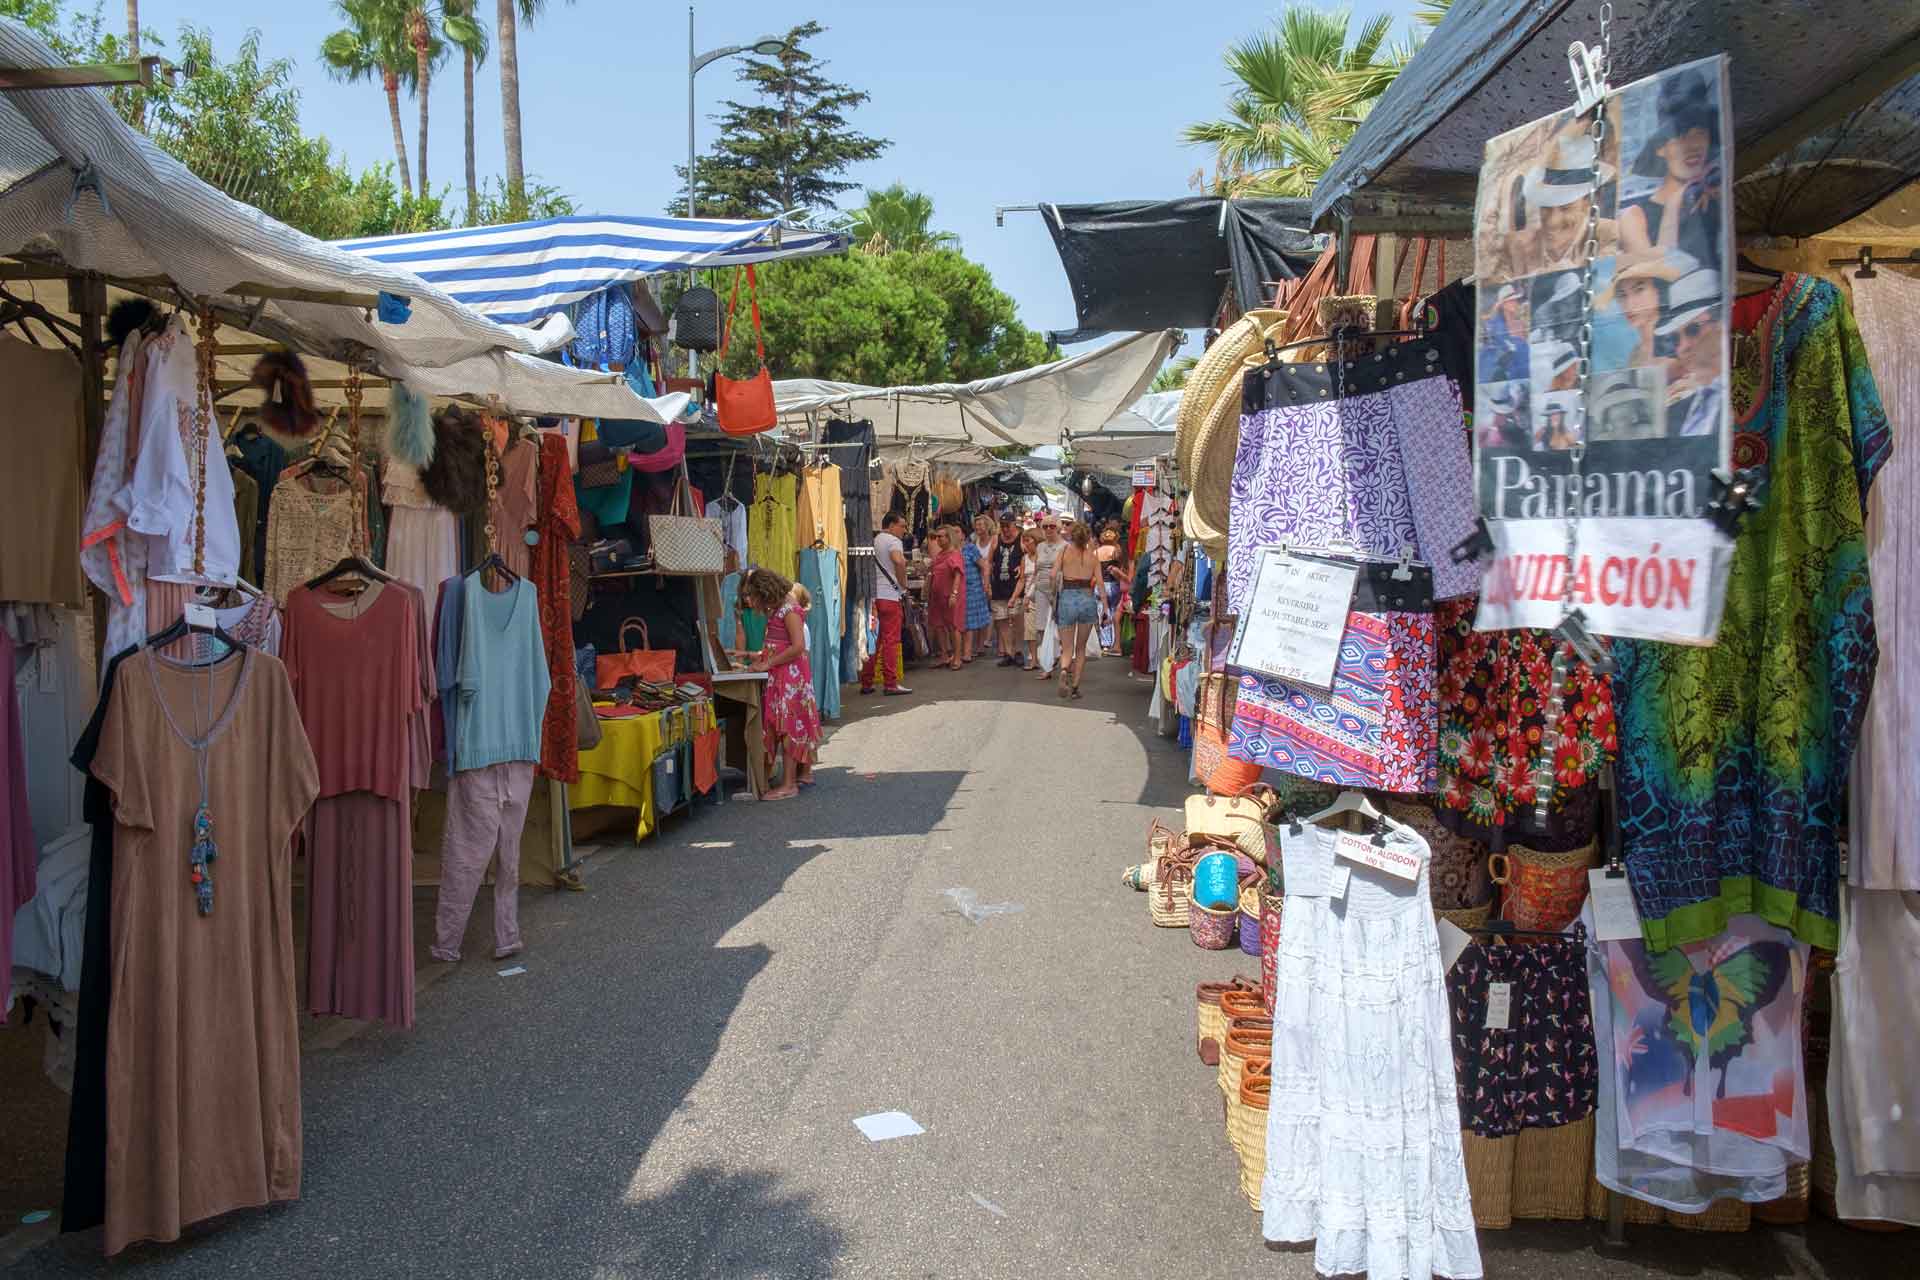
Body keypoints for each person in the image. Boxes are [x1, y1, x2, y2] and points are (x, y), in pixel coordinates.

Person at [1619, 71, 1722, 266]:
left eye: (1700, 133)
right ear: (1660, 148)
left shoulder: (1712, 200)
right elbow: (1664, 282)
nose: (1692, 146)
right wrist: (1674, 206)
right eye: (1680, 136)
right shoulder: (1634, 219)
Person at [740, 568, 821, 800]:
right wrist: (760, 657)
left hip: (790, 676)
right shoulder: (780, 608)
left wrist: (767, 663)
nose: (751, 601)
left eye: (753, 596)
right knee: (784, 725)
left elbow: (797, 646)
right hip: (784, 675)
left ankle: (789, 785)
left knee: (788, 727)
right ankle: (795, 777)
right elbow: (781, 643)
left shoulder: (789, 609)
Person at [1518, 130, 1617, 275]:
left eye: (1565, 208)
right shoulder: (1520, 245)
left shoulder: (1612, 236)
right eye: (1546, 207)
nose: (1553, 221)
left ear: (1588, 203)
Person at [1596, 248, 1696, 369]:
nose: (1629, 304)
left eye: (1639, 290)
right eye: (1622, 295)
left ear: (1658, 291)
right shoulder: (1636, 353)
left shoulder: (1681, 340)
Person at [1658, 266, 1725, 438]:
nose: (1683, 347)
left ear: (1722, 324)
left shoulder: (1742, 396)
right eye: (1675, 339)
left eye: (1693, 330)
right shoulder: (1676, 408)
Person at [859, 512, 912, 696]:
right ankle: (890, 683)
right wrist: (903, 581)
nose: (904, 530)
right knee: (890, 641)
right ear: (891, 525)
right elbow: (898, 560)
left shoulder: (875, 539)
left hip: (874, 597)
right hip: (890, 596)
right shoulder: (893, 541)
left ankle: (866, 682)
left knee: (874, 640)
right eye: (902, 526)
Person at [1053, 521, 1102, 700]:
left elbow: (1052, 575)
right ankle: (1075, 687)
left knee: (1067, 648)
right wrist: (1104, 608)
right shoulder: (1093, 557)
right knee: (1081, 648)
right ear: (1088, 537)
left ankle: (1065, 670)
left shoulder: (1064, 552)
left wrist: (1053, 595)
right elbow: (1101, 585)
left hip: (1067, 598)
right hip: (1087, 600)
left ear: (1072, 536)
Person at [1026, 515, 1066, 679]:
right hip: (1041, 589)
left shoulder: (1065, 546)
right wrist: (1029, 592)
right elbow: (1036, 570)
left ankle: (1063, 661)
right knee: (1041, 628)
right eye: (1045, 526)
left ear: (1058, 527)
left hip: (1059, 590)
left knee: (1062, 628)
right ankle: (1047, 664)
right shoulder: (1041, 546)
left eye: (1051, 526)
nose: (1048, 529)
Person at [986, 512, 1026, 666]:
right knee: (1001, 620)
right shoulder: (996, 539)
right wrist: (987, 583)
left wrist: (1021, 567)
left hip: (1016, 587)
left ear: (1014, 524)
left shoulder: (1021, 539)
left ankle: (1018, 651)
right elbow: (989, 562)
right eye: (1002, 526)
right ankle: (1008, 652)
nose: (1005, 529)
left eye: (1007, 526)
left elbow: (1031, 556)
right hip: (999, 586)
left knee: (1017, 620)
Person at [925, 528, 964, 669]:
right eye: (937, 537)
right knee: (939, 625)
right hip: (937, 597)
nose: (938, 539)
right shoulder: (940, 554)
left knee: (954, 626)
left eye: (941, 537)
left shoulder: (954, 554)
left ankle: (957, 657)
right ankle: (944, 655)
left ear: (949, 537)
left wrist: (954, 593)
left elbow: (958, 575)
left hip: (949, 596)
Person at [1479, 284, 1529, 382]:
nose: (1515, 303)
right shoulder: (1495, 325)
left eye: (1516, 300)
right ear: (1503, 304)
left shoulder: (1520, 322)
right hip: (1506, 371)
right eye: (1511, 300)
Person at [962, 514, 995, 660]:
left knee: (988, 610)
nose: (978, 527)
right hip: (977, 578)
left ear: (987, 525)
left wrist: (987, 582)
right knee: (979, 612)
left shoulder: (994, 540)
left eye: (981, 524)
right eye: (976, 525)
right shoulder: (974, 542)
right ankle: (979, 643)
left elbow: (989, 563)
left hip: (990, 577)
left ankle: (985, 641)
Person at [1096, 524, 1127, 655]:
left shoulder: (1096, 552)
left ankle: (1105, 643)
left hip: (1101, 584)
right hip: (1114, 584)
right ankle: (1115, 641)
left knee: (1102, 611)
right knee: (1114, 612)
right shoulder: (1117, 551)